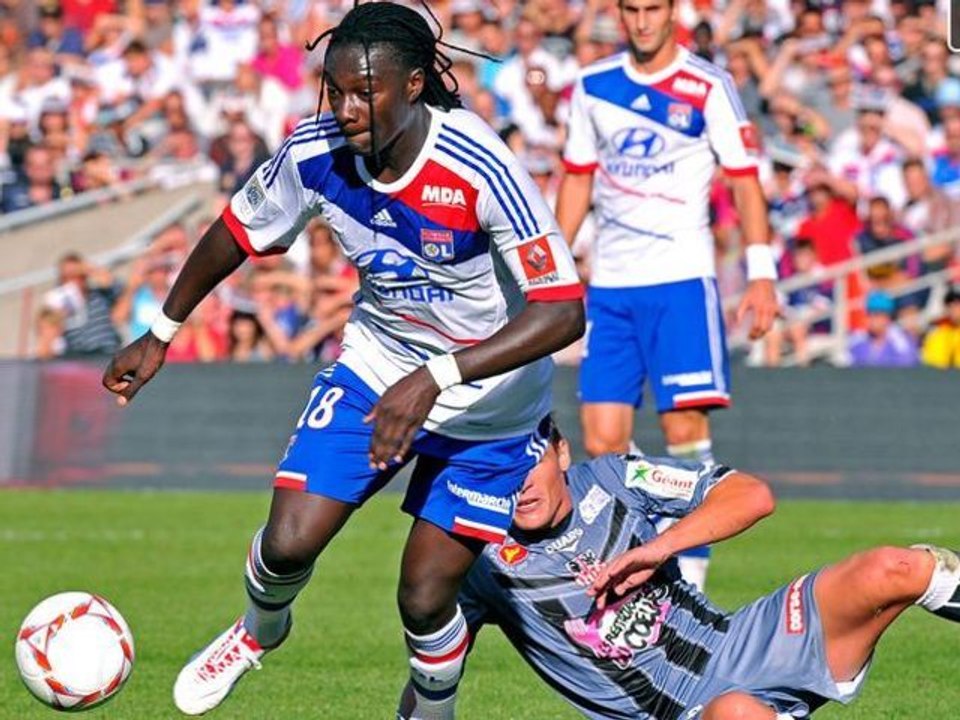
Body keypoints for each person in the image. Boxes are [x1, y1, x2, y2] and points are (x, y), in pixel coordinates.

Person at [100, 3, 584, 718]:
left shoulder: (478, 165)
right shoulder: (314, 152)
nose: (347, 108)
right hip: (376, 366)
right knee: (287, 545)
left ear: (414, 85)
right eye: (335, 91)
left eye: (366, 92)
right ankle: (260, 630)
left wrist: (439, 376)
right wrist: (163, 330)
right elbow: (237, 229)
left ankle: (432, 701)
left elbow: (562, 310)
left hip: (491, 402)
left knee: (423, 597)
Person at [417, 419, 960, 720]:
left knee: (893, 568)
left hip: (741, 642)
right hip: (677, 712)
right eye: (499, 472)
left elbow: (751, 495)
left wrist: (659, 547)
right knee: (737, 717)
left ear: (560, 452)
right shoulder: (479, 557)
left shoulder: (611, 477)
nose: (519, 484)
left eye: (529, 460)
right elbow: (434, 664)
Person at [555, 0, 778, 589]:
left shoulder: (707, 85)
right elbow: (578, 175)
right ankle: (635, 566)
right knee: (602, 441)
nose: (642, 21)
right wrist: (552, 265)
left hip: (681, 281)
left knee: (684, 434)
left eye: (653, 8)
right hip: (610, 285)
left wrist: (761, 274)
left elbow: (746, 178)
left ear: (673, 12)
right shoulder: (594, 85)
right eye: (632, 9)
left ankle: (690, 585)